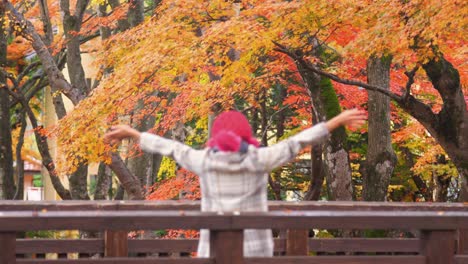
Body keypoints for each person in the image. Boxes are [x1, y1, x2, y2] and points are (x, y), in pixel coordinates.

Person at [104, 108, 366, 257]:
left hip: (213, 251)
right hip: (255, 253)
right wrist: (336, 121)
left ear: (215, 137)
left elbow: (171, 148)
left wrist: (134, 133)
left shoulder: (203, 160)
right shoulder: (260, 159)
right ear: (246, 136)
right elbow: (296, 143)